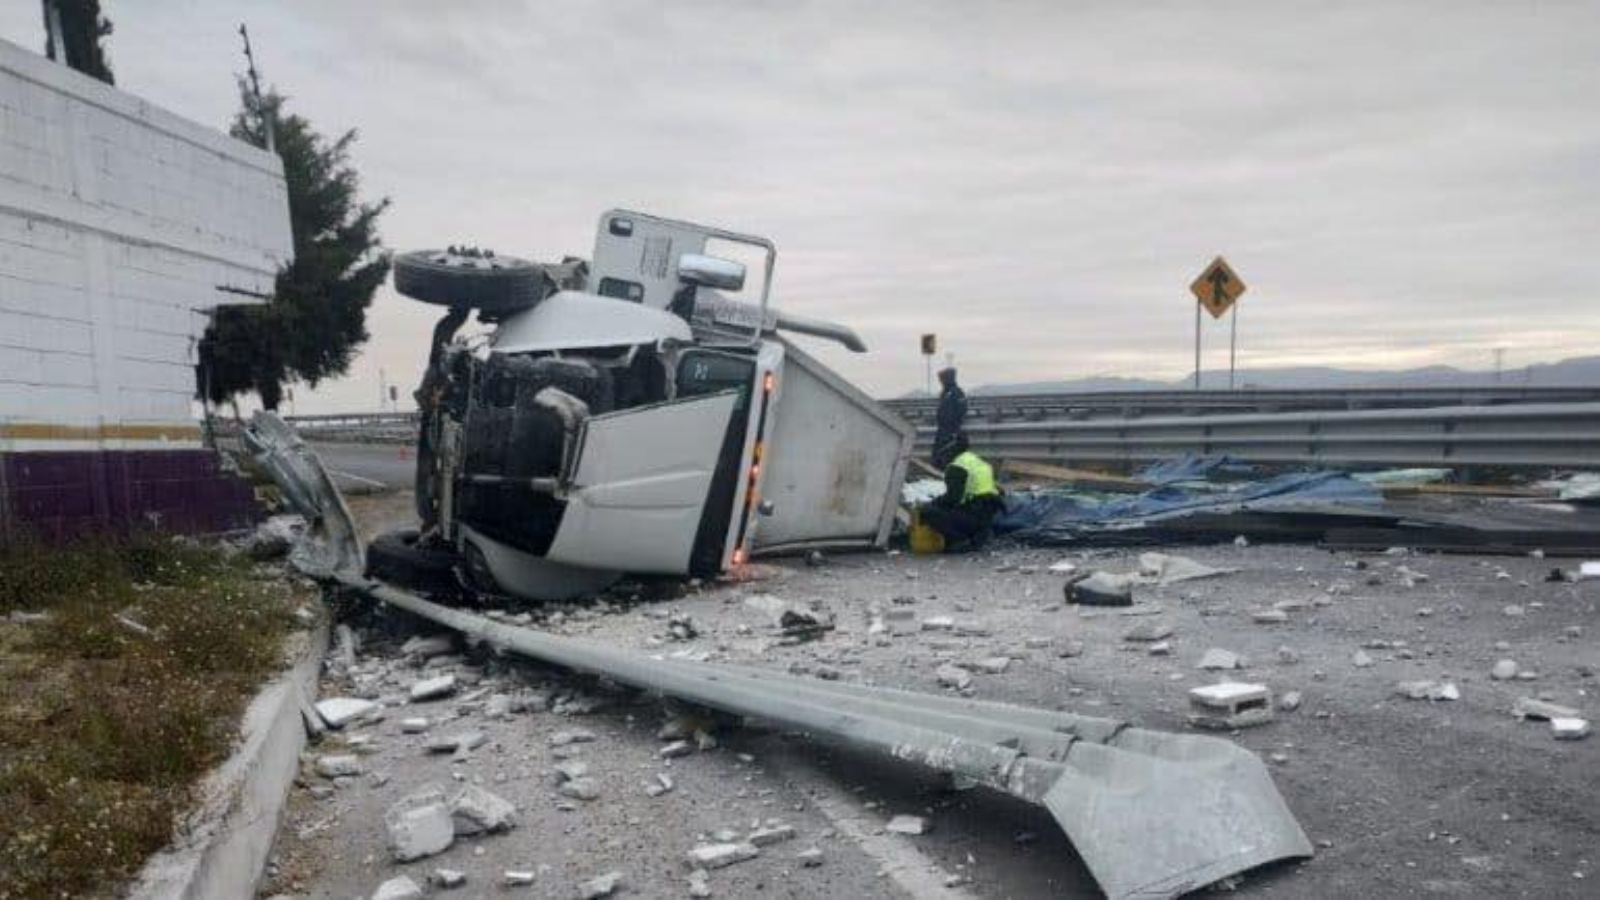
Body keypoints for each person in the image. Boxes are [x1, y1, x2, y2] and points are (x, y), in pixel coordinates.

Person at [920, 436, 1001, 551]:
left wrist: (933, 502)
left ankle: (959, 540)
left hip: (973, 515)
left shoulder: (957, 467)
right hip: (987, 514)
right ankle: (977, 537)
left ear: (949, 451)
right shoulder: (975, 460)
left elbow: (953, 498)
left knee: (928, 511)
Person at [932, 367, 967, 468]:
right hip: (942, 431)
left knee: (947, 458)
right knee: (938, 458)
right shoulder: (945, 393)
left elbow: (961, 410)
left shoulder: (956, 392)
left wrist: (953, 427)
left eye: (942, 378)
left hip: (951, 432)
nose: (941, 381)